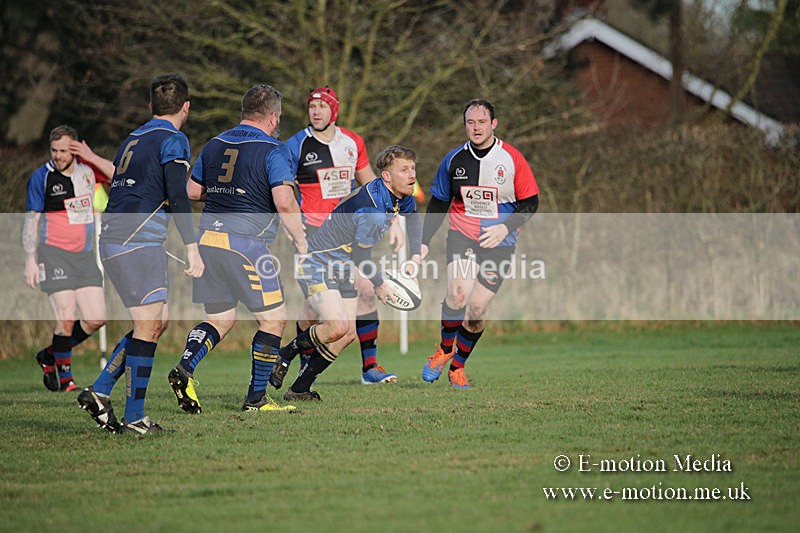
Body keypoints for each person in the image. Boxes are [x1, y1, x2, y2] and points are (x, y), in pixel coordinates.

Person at [166, 84, 307, 414]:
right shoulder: (274, 150)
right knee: (273, 320)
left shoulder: (216, 144)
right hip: (246, 244)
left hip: (207, 242)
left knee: (220, 319)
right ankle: (256, 399)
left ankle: (185, 368)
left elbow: (192, 190)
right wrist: (300, 240)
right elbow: (285, 202)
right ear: (273, 117)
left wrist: (226, 194)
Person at [77, 73, 204, 434]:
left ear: (151, 107)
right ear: (186, 107)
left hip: (116, 239)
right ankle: (135, 417)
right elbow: (177, 195)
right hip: (138, 242)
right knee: (149, 325)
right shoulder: (174, 140)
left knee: (154, 323)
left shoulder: (133, 137)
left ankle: (100, 391)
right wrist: (192, 248)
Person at [269, 145, 422, 401]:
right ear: (386, 176)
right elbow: (361, 256)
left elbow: (414, 218)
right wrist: (380, 284)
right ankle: (285, 354)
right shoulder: (371, 209)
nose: (411, 175)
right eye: (404, 170)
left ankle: (299, 389)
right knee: (337, 326)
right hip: (317, 264)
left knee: (347, 334)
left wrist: (415, 259)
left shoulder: (401, 195)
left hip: (342, 267)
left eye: (413, 168)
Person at [283, 86, 404, 385]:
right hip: (313, 236)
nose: (316, 111)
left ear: (333, 111)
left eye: (322, 106)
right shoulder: (296, 145)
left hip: (349, 233)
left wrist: (396, 219)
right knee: (312, 306)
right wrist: (292, 228)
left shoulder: (353, 143)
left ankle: (370, 368)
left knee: (365, 289)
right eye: (311, 106)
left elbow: (374, 186)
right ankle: (303, 363)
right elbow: (282, 188)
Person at [420, 99, 539, 389]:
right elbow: (438, 202)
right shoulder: (453, 160)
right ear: (465, 125)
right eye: (470, 122)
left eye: (481, 122)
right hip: (463, 235)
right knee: (458, 294)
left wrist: (504, 228)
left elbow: (531, 203)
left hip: (500, 242)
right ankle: (445, 349)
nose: (476, 127)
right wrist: (422, 242)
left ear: (494, 124)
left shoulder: (511, 159)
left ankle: (457, 367)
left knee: (475, 311)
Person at [24, 125, 114, 393]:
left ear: (74, 149)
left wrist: (92, 155)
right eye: (54, 150)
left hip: (85, 256)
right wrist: (30, 259)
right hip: (53, 253)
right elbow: (32, 220)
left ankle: (50, 355)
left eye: (64, 150)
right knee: (65, 316)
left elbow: (118, 174)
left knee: (97, 319)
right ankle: (66, 380)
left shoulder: (88, 170)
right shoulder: (41, 177)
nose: (58, 156)